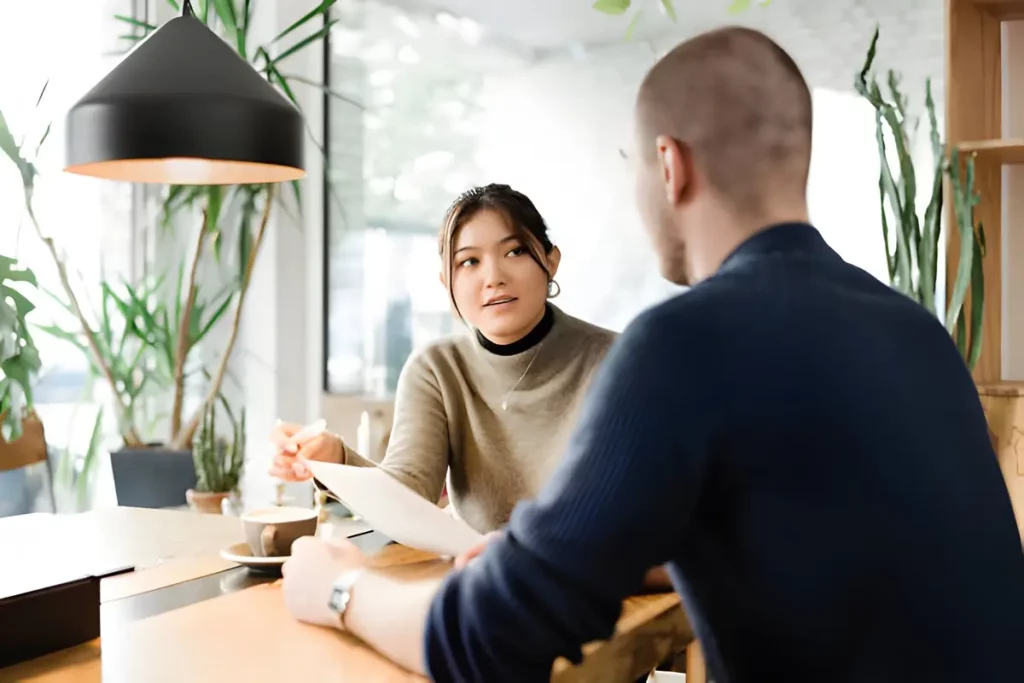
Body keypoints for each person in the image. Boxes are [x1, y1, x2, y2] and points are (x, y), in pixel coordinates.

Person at [281, 26, 1024, 682]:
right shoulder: (917, 332)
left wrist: (340, 589)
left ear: (669, 166)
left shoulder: (681, 343)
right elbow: (811, 547)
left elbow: (493, 641)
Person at [270, 183, 617, 535]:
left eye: (514, 252)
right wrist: (335, 459)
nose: (494, 277)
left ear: (551, 260)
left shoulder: (617, 361)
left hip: (591, 575)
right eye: (469, 261)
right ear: (446, 281)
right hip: (475, 574)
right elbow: (408, 494)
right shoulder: (436, 369)